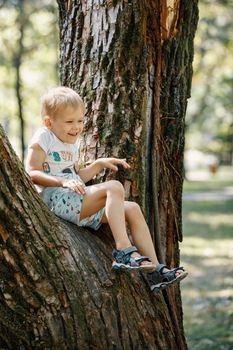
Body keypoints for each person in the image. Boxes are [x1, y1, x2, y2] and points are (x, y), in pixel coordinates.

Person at [26, 86, 188, 292]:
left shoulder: (71, 144)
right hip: (56, 200)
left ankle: (155, 271)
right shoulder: (44, 137)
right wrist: (61, 182)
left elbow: (77, 177)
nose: (76, 127)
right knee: (114, 187)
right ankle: (123, 250)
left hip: (76, 202)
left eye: (80, 121)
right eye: (69, 122)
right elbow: (31, 172)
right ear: (49, 122)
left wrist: (98, 164)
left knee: (132, 209)